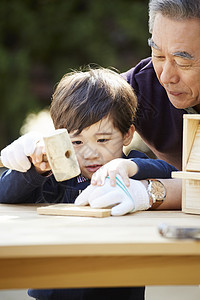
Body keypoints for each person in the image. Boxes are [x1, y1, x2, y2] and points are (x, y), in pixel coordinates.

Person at [0, 67, 178, 300]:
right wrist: (36, 168)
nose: (90, 153)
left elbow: (171, 173)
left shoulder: (128, 171)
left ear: (127, 134)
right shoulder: (55, 177)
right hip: (54, 292)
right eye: (77, 141)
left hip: (115, 292)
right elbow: (5, 192)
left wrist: (130, 167)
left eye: (102, 139)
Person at [121, 0, 200, 172]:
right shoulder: (141, 86)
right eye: (158, 55)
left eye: (182, 62)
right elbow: (91, 98)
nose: (165, 77)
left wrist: (151, 189)